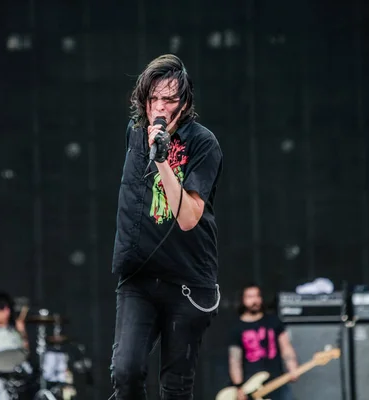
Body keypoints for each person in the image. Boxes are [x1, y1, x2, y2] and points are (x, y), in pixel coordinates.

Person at [109, 54, 223, 399]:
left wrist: (162, 160)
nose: (159, 107)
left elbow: (189, 217)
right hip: (140, 276)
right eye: (153, 98)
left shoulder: (203, 143)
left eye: (169, 99)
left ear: (184, 103)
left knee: (175, 388)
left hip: (186, 279)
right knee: (126, 372)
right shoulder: (135, 132)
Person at [228, 284, 299, 400]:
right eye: (250, 297)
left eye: (257, 296)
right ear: (242, 300)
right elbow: (235, 360)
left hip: (277, 381)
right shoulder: (237, 328)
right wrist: (238, 387)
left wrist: (292, 367)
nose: (255, 300)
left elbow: (286, 348)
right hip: (250, 386)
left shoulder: (273, 321)